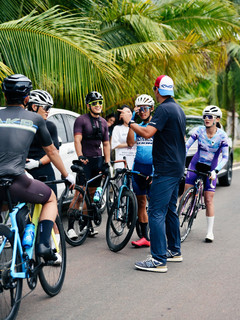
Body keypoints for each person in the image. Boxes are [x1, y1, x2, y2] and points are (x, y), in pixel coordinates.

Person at [0, 74, 75, 261]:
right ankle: (43, 246)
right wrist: (67, 175)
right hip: (17, 179)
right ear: (27, 98)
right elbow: (52, 152)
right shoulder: (35, 119)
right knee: (50, 199)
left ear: (5, 95)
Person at [119, 75, 186, 273]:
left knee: (155, 211)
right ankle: (174, 250)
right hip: (176, 167)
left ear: (157, 90)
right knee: (170, 210)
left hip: (165, 168)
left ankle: (158, 259)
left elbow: (147, 133)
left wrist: (129, 122)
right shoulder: (178, 108)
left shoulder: (164, 109)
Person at [67, 91, 110, 239]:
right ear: (88, 105)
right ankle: (71, 228)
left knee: (92, 195)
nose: (97, 105)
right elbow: (77, 139)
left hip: (97, 161)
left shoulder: (104, 122)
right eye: (94, 103)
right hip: (85, 161)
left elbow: (106, 143)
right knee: (79, 194)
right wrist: (80, 156)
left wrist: (107, 163)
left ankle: (85, 225)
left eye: (99, 103)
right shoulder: (81, 120)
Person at [185, 105, 229, 242]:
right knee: (186, 193)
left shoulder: (222, 136)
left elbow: (225, 157)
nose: (206, 119)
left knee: (209, 200)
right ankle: (184, 210)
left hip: (211, 169)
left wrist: (216, 171)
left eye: (210, 116)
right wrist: (181, 163)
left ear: (217, 119)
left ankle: (210, 232)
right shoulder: (199, 131)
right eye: (205, 116)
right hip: (196, 163)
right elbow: (186, 146)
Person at [127, 94, 154, 248]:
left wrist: (155, 172)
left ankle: (157, 234)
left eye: (145, 109)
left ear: (151, 109)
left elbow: (161, 152)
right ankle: (145, 237)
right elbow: (130, 143)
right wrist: (132, 117)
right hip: (138, 167)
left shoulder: (154, 126)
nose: (142, 112)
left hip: (152, 169)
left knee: (155, 204)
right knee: (141, 202)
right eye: (139, 110)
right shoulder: (137, 126)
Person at [25, 90, 59, 196]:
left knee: (52, 204)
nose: (48, 111)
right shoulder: (21, 125)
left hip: (44, 170)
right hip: (23, 171)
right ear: (34, 107)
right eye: (46, 107)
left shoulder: (50, 126)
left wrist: (38, 163)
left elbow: (55, 152)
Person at [111, 105, 136, 170]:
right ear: (121, 116)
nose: (128, 114)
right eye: (125, 112)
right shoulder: (117, 128)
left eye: (129, 112)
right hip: (121, 164)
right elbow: (114, 145)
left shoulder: (137, 127)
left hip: (134, 164)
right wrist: (130, 143)